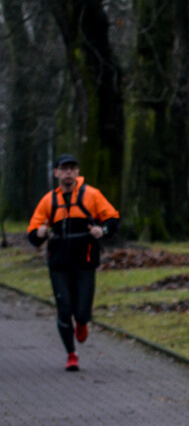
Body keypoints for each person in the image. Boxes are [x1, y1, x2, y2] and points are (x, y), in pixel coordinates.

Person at [27, 154, 120, 371]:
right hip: (58, 263)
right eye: (64, 169)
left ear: (77, 172)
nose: (68, 173)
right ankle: (71, 354)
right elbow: (33, 234)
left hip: (85, 261)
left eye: (72, 169)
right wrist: (40, 233)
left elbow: (113, 218)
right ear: (56, 172)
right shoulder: (49, 201)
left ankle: (82, 322)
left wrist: (102, 230)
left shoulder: (92, 196)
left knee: (82, 311)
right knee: (64, 307)